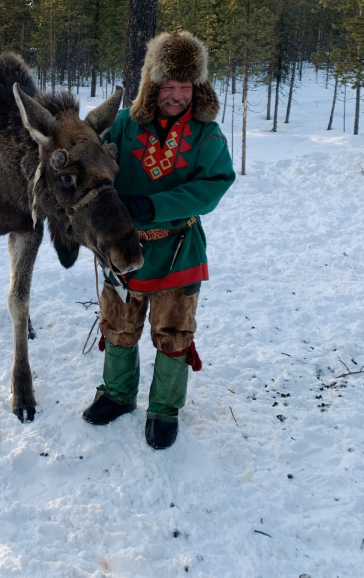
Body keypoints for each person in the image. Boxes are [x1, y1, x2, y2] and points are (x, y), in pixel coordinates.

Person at [82, 31, 235, 449]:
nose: (177, 95)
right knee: (118, 324)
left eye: (185, 86)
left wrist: (154, 207)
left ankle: (164, 410)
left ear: (196, 87)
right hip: (123, 249)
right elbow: (88, 153)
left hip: (179, 250)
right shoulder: (125, 125)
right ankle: (117, 394)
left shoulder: (207, 135)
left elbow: (216, 184)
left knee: (173, 332)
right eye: (169, 85)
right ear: (153, 84)